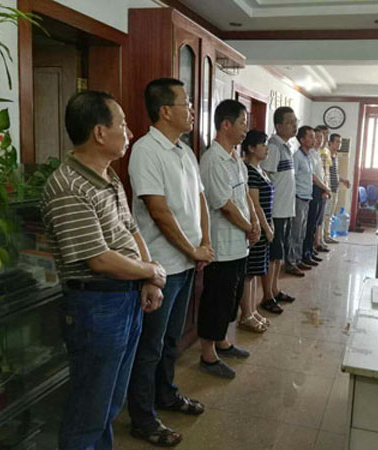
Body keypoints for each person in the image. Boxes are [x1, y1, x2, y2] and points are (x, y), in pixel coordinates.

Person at [42, 91, 167, 450]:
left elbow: (130, 229)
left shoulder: (108, 176)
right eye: (123, 125)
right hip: (96, 307)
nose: (130, 132)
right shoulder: (68, 186)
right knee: (89, 409)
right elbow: (98, 259)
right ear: (99, 132)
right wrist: (150, 271)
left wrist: (148, 276)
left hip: (124, 299)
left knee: (109, 403)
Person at [127, 78, 214, 447]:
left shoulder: (185, 151)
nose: (191, 110)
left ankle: (166, 394)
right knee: (150, 346)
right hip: (160, 267)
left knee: (171, 340)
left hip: (187, 262)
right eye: (186, 103)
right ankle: (142, 418)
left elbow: (200, 200)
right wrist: (193, 250)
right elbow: (158, 211)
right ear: (165, 110)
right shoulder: (145, 150)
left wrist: (204, 243)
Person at [198, 99, 260, 379]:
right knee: (216, 299)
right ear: (225, 125)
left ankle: (222, 341)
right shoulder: (213, 160)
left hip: (240, 244)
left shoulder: (235, 157)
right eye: (242, 123)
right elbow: (223, 204)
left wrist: (254, 222)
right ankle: (208, 355)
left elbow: (244, 193)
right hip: (222, 245)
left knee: (231, 298)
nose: (246, 129)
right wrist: (249, 228)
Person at [260, 106, 298, 313]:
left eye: (295, 121)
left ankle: (275, 290)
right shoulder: (273, 147)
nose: (294, 125)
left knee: (278, 255)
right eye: (290, 122)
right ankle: (267, 296)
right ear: (278, 125)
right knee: (272, 255)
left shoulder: (286, 146)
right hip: (275, 212)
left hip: (285, 210)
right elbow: (265, 177)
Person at [239, 130, 275, 330]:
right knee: (249, 273)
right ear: (251, 148)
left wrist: (271, 225)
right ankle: (246, 315)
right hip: (256, 228)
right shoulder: (249, 171)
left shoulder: (261, 170)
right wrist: (266, 228)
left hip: (265, 227)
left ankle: (253, 311)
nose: (266, 148)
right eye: (262, 144)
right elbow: (255, 204)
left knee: (255, 272)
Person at [287, 126, 315, 272]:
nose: (314, 140)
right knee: (295, 233)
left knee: (302, 233)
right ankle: (291, 262)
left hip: (307, 197)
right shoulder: (297, 156)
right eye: (310, 136)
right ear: (302, 139)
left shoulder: (308, 156)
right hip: (298, 198)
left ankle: (298, 259)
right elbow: (292, 178)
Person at [303, 127, 331, 264]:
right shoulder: (308, 154)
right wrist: (325, 188)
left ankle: (310, 250)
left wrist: (325, 188)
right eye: (316, 137)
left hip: (320, 189)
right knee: (310, 224)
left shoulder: (316, 153)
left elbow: (322, 173)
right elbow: (313, 176)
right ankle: (305, 253)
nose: (318, 140)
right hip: (314, 189)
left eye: (321, 137)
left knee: (315, 223)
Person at [323, 133, 350, 243]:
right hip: (328, 189)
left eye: (340, 142)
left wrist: (343, 180)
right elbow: (325, 173)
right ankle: (324, 237)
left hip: (335, 189)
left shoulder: (335, 156)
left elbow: (335, 174)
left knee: (330, 214)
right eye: (337, 141)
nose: (339, 144)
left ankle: (327, 235)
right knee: (326, 214)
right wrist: (326, 188)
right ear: (330, 143)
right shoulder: (326, 155)